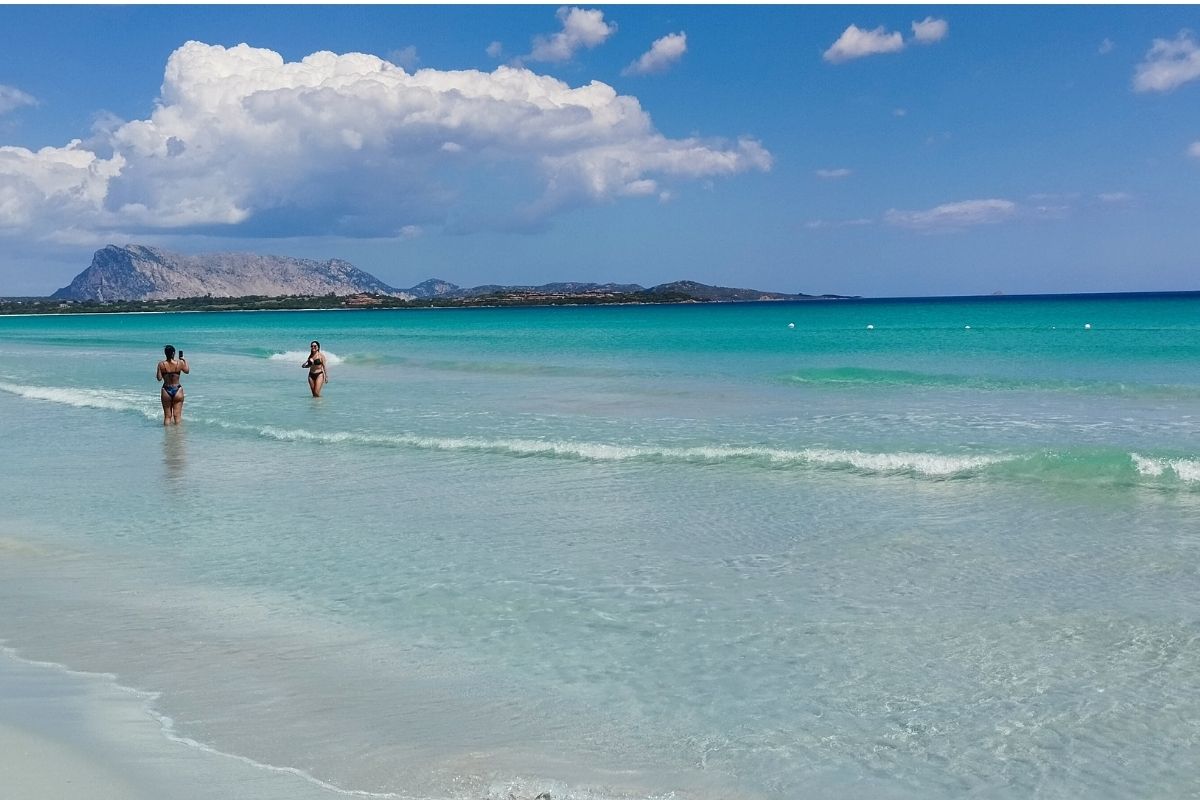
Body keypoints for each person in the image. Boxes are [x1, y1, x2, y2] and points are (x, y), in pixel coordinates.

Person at [156, 345, 189, 426]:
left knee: (167, 416)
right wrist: (184, 360)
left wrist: (160, 370)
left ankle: (167, 436)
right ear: (173, 353)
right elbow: (187, 371)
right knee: (177, 416)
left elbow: (159, 378)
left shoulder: (161, 364)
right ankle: (177, 435)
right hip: (177, 390)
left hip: (166, 390)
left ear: (165, 353)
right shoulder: (179, 363)